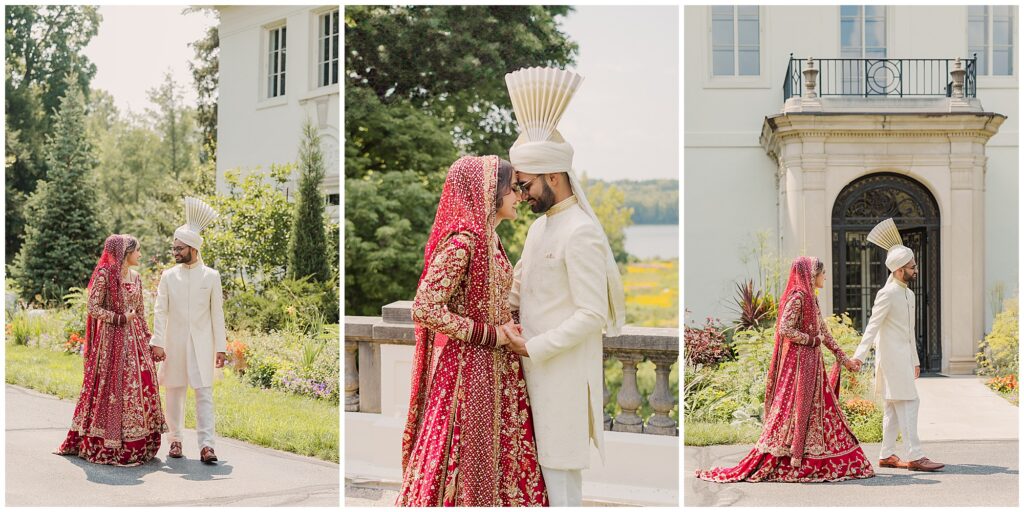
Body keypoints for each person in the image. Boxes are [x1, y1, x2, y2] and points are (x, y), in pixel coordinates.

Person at [500, 67, 626, 506]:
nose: (522, 194)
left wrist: (533, 347)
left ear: (553, 178)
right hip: (529, 374)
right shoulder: (538, 231)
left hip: (563, 378)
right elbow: (516, 292)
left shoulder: (581, 233)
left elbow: (592, 315)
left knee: (561, 484)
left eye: (526, 185)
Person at [396, 155, 548, 507]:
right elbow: (425, 307)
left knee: (502, 460)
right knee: (465, 461)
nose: (520, 197)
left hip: (499, 370)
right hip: (467, 373)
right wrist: (488, 334)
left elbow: (494, 301)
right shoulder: (463, 241)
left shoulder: (490, 240)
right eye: (512, 189)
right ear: (488, 193)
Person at [695, 256, 875, 482]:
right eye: (822, 273)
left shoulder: (812, 299)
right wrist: (810, 340)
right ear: (811, 275)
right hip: (798, 366)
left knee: (822, 411)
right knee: (792, 411)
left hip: (812, 366)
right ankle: (793, 458)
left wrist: (845, 360)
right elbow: (784, 329)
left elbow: (825, 334)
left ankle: (824, 457)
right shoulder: (798, 298)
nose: (825, 277)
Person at [56, 234, 168, 466]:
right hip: (110, 341)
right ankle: (108, 442)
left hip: (135, 339)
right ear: (125, 252)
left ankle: (140, 442)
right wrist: (117, 318)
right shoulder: (105, 274)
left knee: (141, 383)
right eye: (137, 250)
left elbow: (140, 311)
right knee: (112, 387)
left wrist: (150, 341)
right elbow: (93, 307)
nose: (140, 255)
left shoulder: (136, 277)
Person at [849, 218, 944, 472]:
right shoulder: (887, 293)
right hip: (891, 360)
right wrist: (859, 356)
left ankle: (887, 454)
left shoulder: (909, 293)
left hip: (904, 359)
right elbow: (872, 326)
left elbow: (909, 333)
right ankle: (915, 456)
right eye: (912, 267)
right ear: (900, 270)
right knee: (910, 402)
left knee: (893, 406)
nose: (916, 269)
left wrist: (915, 359)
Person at [150, 197, 226, 464]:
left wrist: (221, 347)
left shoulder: (212, 277)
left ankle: (207, 446)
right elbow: (160, 310)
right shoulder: (169, 276)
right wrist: (157, 341)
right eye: (174, 248)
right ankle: (175, 441)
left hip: (203, 346)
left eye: (179, 248)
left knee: (204, 393)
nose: (175, 252)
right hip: (174, 343)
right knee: (174, 391)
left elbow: (217, 314)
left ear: (193, 248)